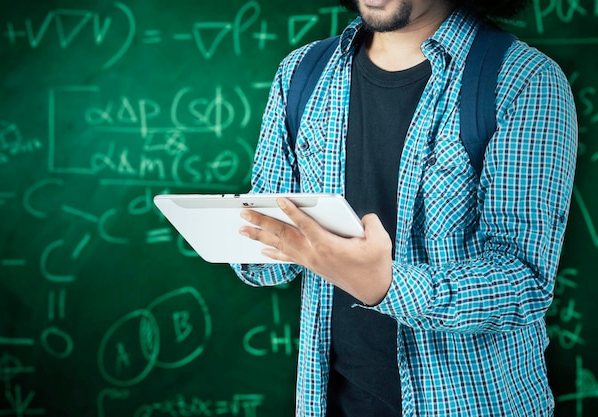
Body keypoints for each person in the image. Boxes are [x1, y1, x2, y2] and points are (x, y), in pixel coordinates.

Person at [231, 0, 578, 415]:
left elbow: (523, 280)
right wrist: (244, 238)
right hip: (330, 402)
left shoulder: (523, 80)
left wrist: (386, 286)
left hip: (470, 404)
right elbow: (274, 260)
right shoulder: (301, 74)